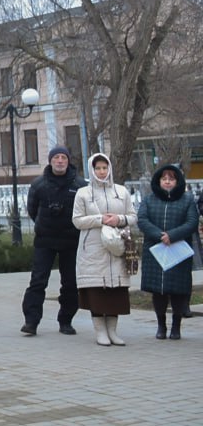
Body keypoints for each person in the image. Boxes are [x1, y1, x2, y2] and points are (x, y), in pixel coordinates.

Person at [72, 152, 137, 347]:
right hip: (93, 248)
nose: (102, 172)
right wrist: (100, 219)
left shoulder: (121, 191)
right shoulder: (83, 193)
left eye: (104, 168)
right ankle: (100, 331)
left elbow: (133, 216)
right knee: (97, 292)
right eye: (98, 168)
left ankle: (113, 332)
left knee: (115, 293)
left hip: (117, 247)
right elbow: (76, 221)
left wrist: (119, 219)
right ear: (92, 170)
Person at [21, 145, 86, 336]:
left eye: (63, 158)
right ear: (50, 161)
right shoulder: (38, 184)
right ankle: (31, 322)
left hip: (71, 241)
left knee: (70, 283)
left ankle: (66, 320)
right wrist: (43, 225)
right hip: (45, 241)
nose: (60, 161)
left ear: (68, 161)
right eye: (56, 157)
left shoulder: (80, 186)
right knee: (38, 281)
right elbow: (33, 210)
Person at [137, 163, 198, 340]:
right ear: (159, 181)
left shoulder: (187, 200)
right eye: (164, 179)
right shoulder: (149, 199)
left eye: (171, 179)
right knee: (159, 290)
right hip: (155, 250)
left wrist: (172, 235)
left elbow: (192, 222)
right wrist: (159, 235)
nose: (167, 182)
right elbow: (142, 220)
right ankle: (161, 326)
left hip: (178, 250)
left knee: (178, 290)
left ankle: (176, 327)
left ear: (177, 181)